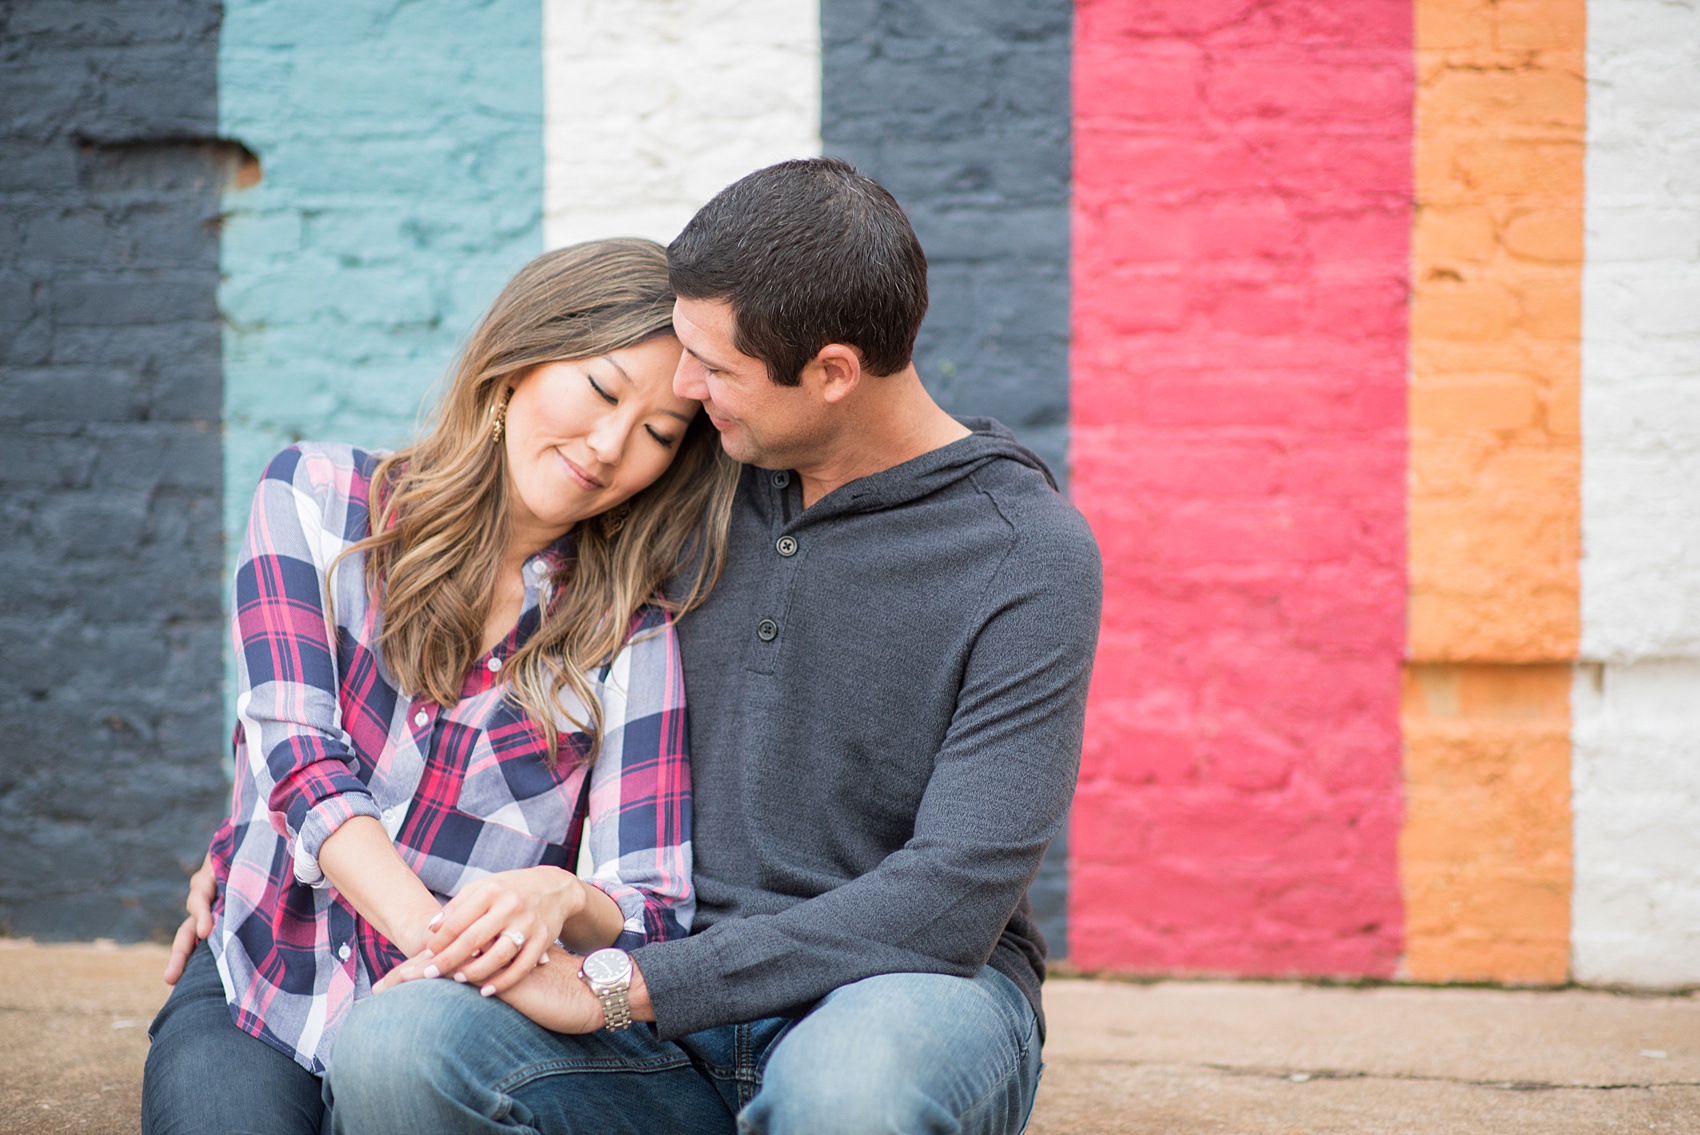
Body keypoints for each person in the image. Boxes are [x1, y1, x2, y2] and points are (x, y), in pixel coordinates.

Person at [335, 157, 1098, 1135]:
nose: (682, 389)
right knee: (396, 1051)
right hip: (651, 1012)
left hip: (898, 990)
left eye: (714, 366)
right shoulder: (679, 464)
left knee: (851, 1094)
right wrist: (253, 843)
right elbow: (449, 632)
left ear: (830, 373)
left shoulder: (1025, 554)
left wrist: (618, 984)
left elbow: (949, 899)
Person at [142, 238, 739, 1135]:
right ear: (516, 365)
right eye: (604, 389)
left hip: (461, 1019)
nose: (613, 444)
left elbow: (651, 904)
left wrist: (565, 899)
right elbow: (301, 760)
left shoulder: (630, 631)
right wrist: (437, 941)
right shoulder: (317, 501)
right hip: (267, 972)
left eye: (659, 432)